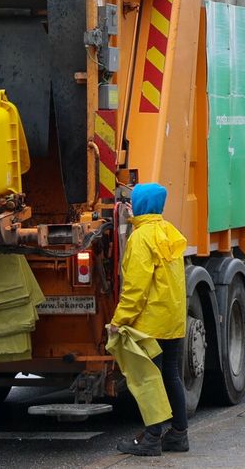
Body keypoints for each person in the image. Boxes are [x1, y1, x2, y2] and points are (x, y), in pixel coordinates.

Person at [107, 183, 189, 456]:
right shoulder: (168, 231)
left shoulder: (141, 238)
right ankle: (178, 434)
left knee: (149, 379)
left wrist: (119, 320)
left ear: (141, 204)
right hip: (173, 319)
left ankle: (152, 437)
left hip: (150, 323)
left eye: (134, 201)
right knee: (172, 376)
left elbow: (136, 287)